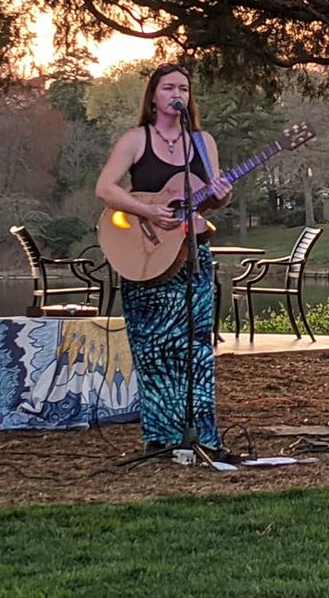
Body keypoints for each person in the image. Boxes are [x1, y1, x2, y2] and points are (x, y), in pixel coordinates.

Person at [95, 63, 234, 459]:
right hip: (145, 252)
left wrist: (221, 194)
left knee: (196, 346)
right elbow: (105, 188)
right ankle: (160, 436)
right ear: (154, 96)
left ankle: (203, 436)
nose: (178, 94)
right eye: (170, 87)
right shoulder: (136, 140)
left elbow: (213, 196)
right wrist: (150, 210)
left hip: (191, 253)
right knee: (153, 348)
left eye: (185, 89)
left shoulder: (202, 141)